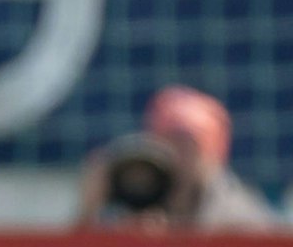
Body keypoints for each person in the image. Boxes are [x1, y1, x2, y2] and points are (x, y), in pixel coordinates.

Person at [77, 84, 277, 229]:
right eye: (167, 144)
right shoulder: (137, 201)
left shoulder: (239, 217)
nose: (176, 157)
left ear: (212, 154)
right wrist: (90, 210)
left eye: (187, 146)